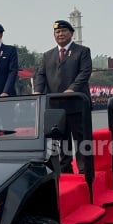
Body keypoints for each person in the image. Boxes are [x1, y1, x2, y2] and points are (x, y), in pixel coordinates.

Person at [33, 19, 92, 173]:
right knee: (62, 140)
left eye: (63, 31)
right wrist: (38, 91)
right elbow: (40, 74)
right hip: (57, 106)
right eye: (57, 32)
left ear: (71, 33)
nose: (60, 34)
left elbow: (84, 73)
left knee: (81, 140)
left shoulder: (82, 51)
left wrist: (72, 89)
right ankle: (65, 169)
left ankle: (84, 169)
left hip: (77, 104)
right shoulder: (47, 55)